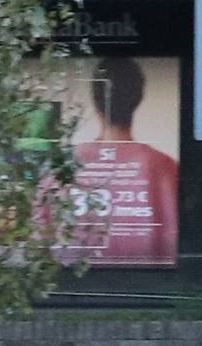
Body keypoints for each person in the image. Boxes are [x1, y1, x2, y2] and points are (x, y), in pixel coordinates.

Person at [70, 56, 178, 267]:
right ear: (139, 97)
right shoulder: (165, 167)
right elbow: (173, 240)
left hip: (74, 285)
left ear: (94, 101)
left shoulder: (65, 165)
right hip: (148, 287)